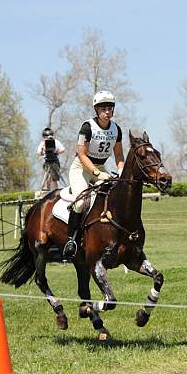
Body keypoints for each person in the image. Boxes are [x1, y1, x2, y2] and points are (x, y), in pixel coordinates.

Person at [62, 90, 125, 262]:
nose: (107, 111)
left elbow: (119, 155)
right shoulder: (87, 128)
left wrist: (120, 172)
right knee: (81, 201)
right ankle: (71, 241)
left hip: (100, 167)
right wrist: (97, 173)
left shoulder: (116, 129)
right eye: (104, 108)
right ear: (96, 110)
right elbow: (82, 155)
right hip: (81, 168)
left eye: (110, 108)